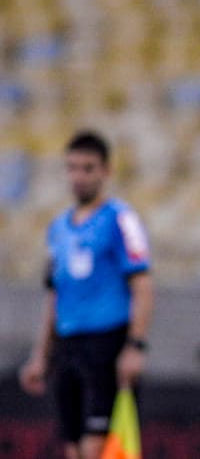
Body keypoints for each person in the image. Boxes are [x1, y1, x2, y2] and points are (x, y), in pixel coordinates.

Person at [18, 131, 154, 459]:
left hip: (106, 345)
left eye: (87, 168)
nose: (78, 177)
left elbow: (143, 285)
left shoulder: (121, 219)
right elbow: (54, 296)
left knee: (99, 447)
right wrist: (41, 354)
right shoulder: (58, 229)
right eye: (72, 168)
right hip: (68, 346)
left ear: (105, 171)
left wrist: (135, 346)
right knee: (73, 447)